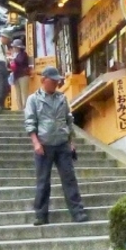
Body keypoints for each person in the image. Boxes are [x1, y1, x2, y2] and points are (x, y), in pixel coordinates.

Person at [23, 66, 88, 226]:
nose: (56, 84)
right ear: (43, 80)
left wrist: (71, 141)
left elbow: (68, 120)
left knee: (69, 179)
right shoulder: (33, 99)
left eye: (57, 81)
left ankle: (78, 212)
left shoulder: (62, 98)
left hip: (62, 143)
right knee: (43, 181)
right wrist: (36, 142)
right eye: (53, 81)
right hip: (43, 145)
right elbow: (30, 122)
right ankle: (40, 215)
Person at [9, 38, 31, 110]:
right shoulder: (15, 55)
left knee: (24, 93)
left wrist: (13, 59)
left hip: (23, 75)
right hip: (16, 76)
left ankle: (26, 109)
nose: (13, 48)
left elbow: (20, 61)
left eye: (14, 47)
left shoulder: (23, 54)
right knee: (18, 94)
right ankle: (20, 108)